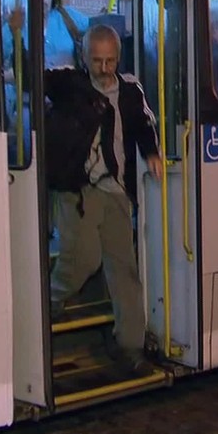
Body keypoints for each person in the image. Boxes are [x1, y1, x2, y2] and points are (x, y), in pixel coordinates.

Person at [44, 24, 163, 374]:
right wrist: (18, 34)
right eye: (97, 61)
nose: (104, 68)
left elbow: (144, 124)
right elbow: (23, 75)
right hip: (76, 189)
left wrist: (152, 153)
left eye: (110, 60)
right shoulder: (69, 84)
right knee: (83, 259)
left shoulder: (129, 89)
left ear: (119, 57)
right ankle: (50, 299)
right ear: (84, 58)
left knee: (124, 269)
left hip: (117, 190)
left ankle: (131, 346)